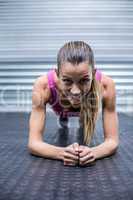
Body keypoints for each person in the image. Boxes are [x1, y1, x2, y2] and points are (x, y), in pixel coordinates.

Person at [28, 41, 119, 166]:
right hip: (61, 108)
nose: (75, 91)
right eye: (67, 81)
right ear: (57, 74)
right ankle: (64, 116)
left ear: (93, 73)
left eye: (84, 80)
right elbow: (34, 143)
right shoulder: (43, 86)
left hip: (87, 104)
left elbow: (112, 141)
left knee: (84, 119)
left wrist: (93, 152)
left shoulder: (106, 85)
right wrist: (62, 153)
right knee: (64, 115)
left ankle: (82, 118)